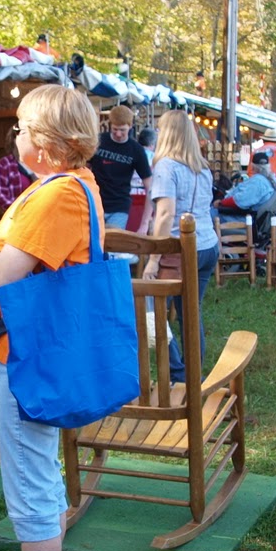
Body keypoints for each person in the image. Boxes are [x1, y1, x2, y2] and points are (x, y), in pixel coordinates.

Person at [0, 83, 105, 551]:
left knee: (30, 486)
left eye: (23, 128)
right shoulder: (73, 185)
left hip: (28, 356)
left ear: (47, 143)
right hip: (38, 350)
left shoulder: (57, 195)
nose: (17, 137)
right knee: (40, 477)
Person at [144, 109, 219, 384]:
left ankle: (179, 372)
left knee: (153, 309)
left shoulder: (166, 166)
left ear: (167, 133)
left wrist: (154, 259)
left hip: (179, 248)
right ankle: (192, 374)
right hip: (207, 244)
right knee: (190, 312)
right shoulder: (202, 167)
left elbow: (165, 214)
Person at [88, 104, 151, 231]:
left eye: (122, 130)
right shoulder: (98, 141)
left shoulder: (136, 150)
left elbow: (149, 186)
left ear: (130, 126)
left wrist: (145, 224)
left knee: (113, 241)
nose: (118, 134)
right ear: (110, 125)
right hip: (95, 203)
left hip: (119, 206)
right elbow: (84, 168)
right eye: (115, 129)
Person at [0, 123, 33, 210]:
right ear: (13, 141)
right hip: (17, 215)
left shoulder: (38, 161)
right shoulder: (5, 164)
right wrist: (16, 209)